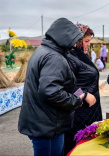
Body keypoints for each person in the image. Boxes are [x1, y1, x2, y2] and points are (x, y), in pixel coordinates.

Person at [18, 18, 96, 156]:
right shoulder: (54, 57)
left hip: (46, 121)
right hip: (48, 124)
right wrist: (78, 99)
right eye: (78, 39)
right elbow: (51, 92)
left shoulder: (44, 51)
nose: (76, 43)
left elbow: (64, 85)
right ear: (65, 37)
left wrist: (80, 94)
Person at [64, 23, 102, 154]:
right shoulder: (69, 58)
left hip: (89, 111)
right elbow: (66, 85)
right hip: (79, 112)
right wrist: (84, 94)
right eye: (86, 41)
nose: (88, 44)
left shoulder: (81, 55)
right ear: (77, 40)